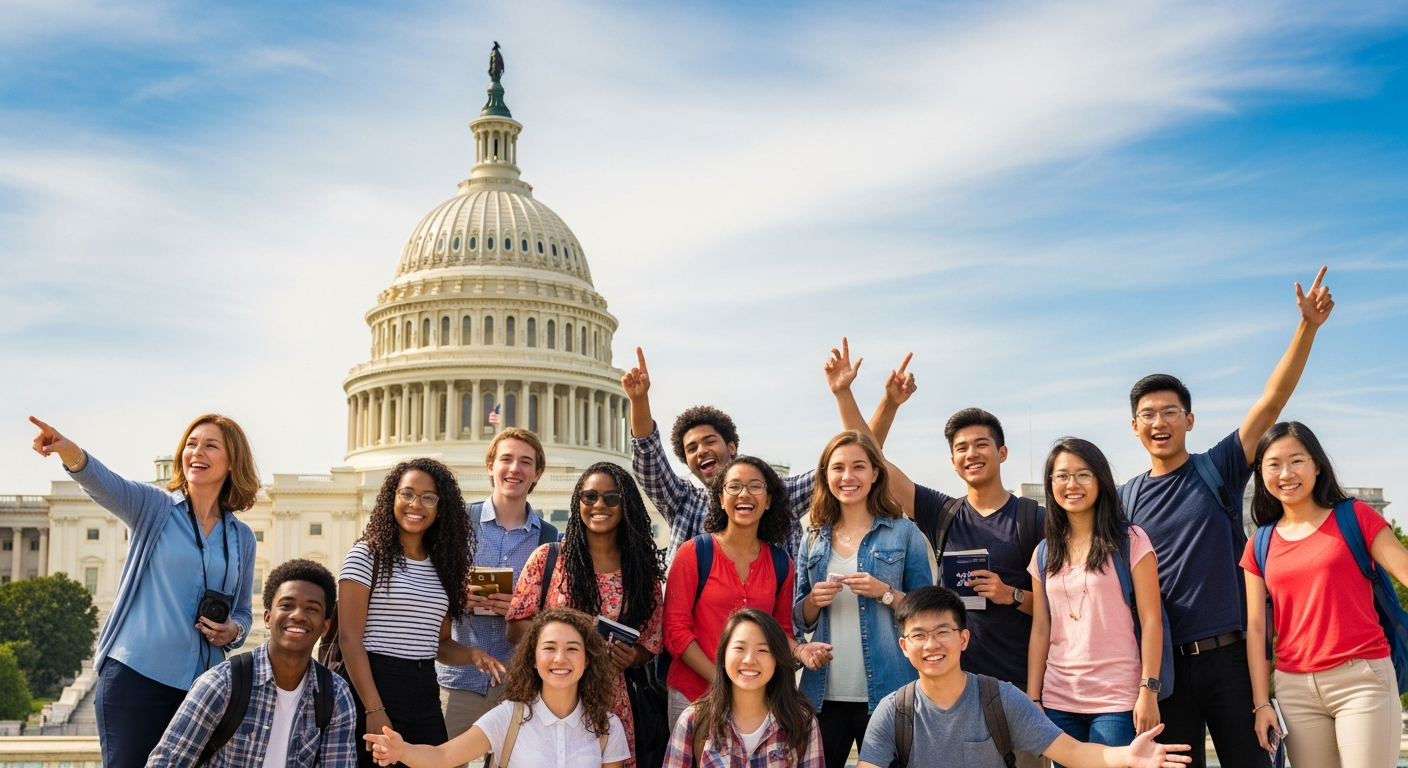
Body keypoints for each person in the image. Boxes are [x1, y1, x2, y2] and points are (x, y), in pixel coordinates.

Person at [1123, 267, 1334, 768]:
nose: (1160, 422)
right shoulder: (1123, 499)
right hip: (1166, 671)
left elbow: (1271, 402)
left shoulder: (1214, 468)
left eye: (1171, 412)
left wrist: (1306, 327)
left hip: (1234, 660)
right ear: (1134, 426)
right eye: (1149, 414)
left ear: (1189, 420)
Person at [30, 414, 258, 768]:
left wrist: (234, 631)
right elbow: (105, 483)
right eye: (191, 444)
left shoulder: (241, 536)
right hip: (136, 676)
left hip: (203, 688)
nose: (196, 452)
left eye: (211, 445)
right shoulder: (155, 507)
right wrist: (69, 451)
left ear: (232, 462)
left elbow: (243, 611)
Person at [823, 344, 1044, 700]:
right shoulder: (941, 512)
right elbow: (870, 456)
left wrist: (1010, 594)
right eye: (961, 448)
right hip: (949, 687)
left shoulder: (1033, 518)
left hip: (1017, 688)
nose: (971, 453)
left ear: (1002, 453)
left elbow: (1060, 610)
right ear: (953, 461)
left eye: (981, 444)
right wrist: (844, 393)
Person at [622, 347, 903, 563]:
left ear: (731, 447)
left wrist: (883, 404)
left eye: (710, 441)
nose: (701, 451)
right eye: (691, 449)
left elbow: (850, 461)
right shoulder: (684, 501)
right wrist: (639, 400)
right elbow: (650, 464)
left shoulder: (778, 492)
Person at [857, 587, 1193, 768]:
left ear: (963, 639)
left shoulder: (1000, 699)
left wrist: (1126, 758)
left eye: (943, 632)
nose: (931, 645)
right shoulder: (894, 711)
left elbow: (1073, 753)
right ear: (904, 646)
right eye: (919, 636)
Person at [1241, 422, 1408, 767]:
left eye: (1297, 461)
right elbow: (1258, 629)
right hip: (1294, 690)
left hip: (1361, 679)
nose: (1286, 473)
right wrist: (1261, 703)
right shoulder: (1259, 543)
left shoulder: (1356, 516)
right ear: (1261, 473)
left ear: (1317, 465)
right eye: (1273, 464)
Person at [337, 458, 505, 768]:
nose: (417, 504)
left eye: (428, 497)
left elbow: (439, 644)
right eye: (408, 493)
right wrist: (374, 709)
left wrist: (472, 654)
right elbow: (349, 639)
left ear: (441, 508)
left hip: (425, 687)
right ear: (393, 497)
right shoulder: (366, 555)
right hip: (375, 684)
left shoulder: (443, 568)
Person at [505, 462, 666, 767]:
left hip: (614, 701)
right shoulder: (548, 559)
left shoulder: (642, 572)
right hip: (552, 698)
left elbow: (652, 641)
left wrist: (632, 657)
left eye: (611, 498)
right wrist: (566, 643)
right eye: (589, 497)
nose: (599, 505)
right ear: (578, 502)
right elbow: (515, 628)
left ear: (626, 504)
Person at [792, 431, 931, 768]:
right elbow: (799, 616)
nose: (848, 476)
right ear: (826, 475)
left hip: (891, 691)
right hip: (823, 695)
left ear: (875, 474)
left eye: (858, 467)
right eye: (837, 468)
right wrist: (814, 599)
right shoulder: (811, 538)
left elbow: (927, 612)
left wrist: (884, 592)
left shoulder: (904, 532)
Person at [663, 456, 834, 729]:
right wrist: (724, 680)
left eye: (756, 486)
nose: (744, 494)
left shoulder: (781, 563)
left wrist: (801, 651)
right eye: (734, 486)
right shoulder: (694, 553)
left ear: (768, 501)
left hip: (754, 700)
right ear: (720, 498)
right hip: (695, 696)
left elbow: (779, 631)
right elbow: (675, 632)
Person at [1026, 439, 1164, 763]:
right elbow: (1041, 629)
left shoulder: (1130, 540)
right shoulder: (1044, 552)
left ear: (1100, 480)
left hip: (1116, 700)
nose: (1071, 485)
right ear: (1051, 485)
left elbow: (1151, 620)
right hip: (1059, 700)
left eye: (1083, 474)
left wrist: (1149, 690)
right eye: (1061, 476)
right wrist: (1034, 698)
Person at [148, 559, 357, 767]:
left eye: (312, 609)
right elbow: (166, 762)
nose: (298, 615)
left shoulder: (336, 695)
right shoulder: (222, 683)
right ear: (267, 618)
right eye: (287, 605)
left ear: (325, 626)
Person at [364, 607, 631, 768]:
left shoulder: (608, 727)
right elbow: (444, 756)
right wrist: (401, 751)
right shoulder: (510, 716)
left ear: (587, 661)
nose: (560, 658)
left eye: (572, 649)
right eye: (549, 648)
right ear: (534, 660)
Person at [436, 428, 556, 753]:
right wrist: (454, 595)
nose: (515, 469)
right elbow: (426, 593)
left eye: (525, 462)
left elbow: (557, 618)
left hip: (517, 686)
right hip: (458, 682)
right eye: (506, 459)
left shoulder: (551, 541)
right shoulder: (455, 525)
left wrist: (520, 612)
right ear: (490, 466)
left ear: (538, 473)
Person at [664, 608, 826, 768]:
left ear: (778, 660)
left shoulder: (801, 722)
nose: (749, 660)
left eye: (762, 650)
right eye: (739, 648)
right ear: (722, 657)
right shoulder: (693, 720)